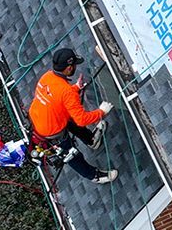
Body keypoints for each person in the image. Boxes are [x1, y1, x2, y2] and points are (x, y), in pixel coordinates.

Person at [28, 48, 116, 185]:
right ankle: (94, 176)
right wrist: (101, 112)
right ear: (69, 68)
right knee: (71, 155)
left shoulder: (47, 76)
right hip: (52, 131)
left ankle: (91, 140)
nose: (75, 67)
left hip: (40, 118)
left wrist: (75, 88)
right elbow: (82, 120)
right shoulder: (66, 92)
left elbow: (57, 97)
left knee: (70, 119)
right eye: (75, 65)